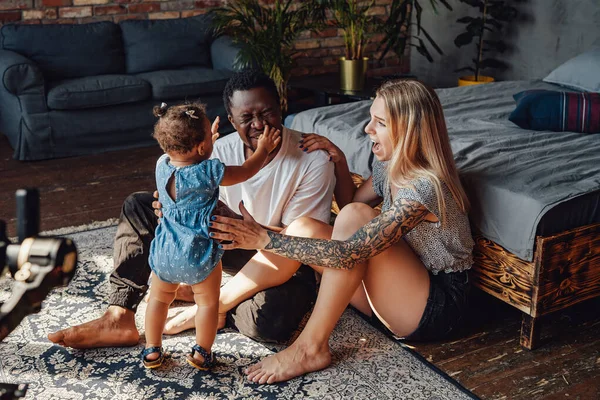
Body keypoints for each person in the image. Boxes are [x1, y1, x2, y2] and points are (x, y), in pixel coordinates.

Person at [208, 79, 475, 384]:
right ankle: (216, 304)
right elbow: (349, 209)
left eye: (380, 123)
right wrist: (339, 159)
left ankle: (311, 347)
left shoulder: (426, 187)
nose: (367, 129)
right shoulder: (390, 167)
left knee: (352, 220)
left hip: (435, 309)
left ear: (408, 131)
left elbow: (348, 249)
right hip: (393, 291)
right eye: (371, 119)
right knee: (305, 226)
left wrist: (263, 238)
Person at [47, 69, 335, 349]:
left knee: (269, 322)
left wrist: (248, 229)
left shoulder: (312, 158)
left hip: (277, 254)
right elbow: (184, 181)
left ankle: (212, 303)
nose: (258, 125)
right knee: (139, 205)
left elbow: (304, 245)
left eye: (267, 113)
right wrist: (169, 208)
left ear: (281, 107)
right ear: (231, 121)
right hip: (219, 240)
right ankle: (119, 316)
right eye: (246, 117)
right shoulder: (214, 149)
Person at [141, 102, 280, 369]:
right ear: (202, 147)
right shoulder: (209, 171)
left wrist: (204, 144)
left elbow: (187, 158)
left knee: (159, 299)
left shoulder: (162, 164)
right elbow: (245, 171)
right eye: (208, 137)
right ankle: (201, 352)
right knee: (207, 303)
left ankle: (152, 350)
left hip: (165, 252)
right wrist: (263, 149)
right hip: (199, 255)